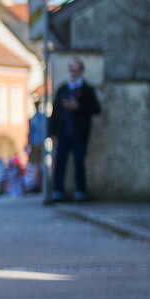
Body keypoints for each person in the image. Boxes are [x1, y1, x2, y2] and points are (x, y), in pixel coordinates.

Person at [50, 57, 100, 201]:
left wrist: (78, 107)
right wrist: (52, 133)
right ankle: (57, 191)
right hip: (63, 134)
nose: (73, 72)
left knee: (79, 163)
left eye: (76, 70)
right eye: (71, 69)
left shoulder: (86, 90)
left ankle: (80, 191)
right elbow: (54, 113)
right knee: (60, 162)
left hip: (79, 134)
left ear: (81, 71)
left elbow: (96, 108)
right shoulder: (63, 89)